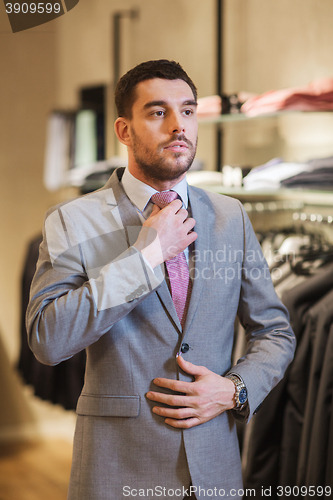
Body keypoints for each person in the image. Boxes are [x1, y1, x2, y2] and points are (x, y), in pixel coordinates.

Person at [26, 59, 296, 500]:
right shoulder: (72, 221)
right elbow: (48, 341)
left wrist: (234, 389)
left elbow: (276, 332)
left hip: (215, 468)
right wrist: (146, 256)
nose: (178, 126)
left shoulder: (232, 217)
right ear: (124, 130)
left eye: (188, 111)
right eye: (158, 112)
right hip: (118, 470)